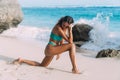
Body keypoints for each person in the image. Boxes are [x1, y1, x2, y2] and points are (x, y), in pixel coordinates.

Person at [13, 16, 80, 74]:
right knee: (72, 45)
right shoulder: (58, 28)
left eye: (66, 26)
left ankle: (21, 60)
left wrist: (59, 53)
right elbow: (70, 41)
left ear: (69, 25)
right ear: (62, 21)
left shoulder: (64, 29)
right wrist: (70, 30)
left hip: (52, 49)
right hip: (51, 48)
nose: (64, 26)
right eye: (63, 24)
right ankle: (74, 68)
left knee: (42, 65)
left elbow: (61, 42)